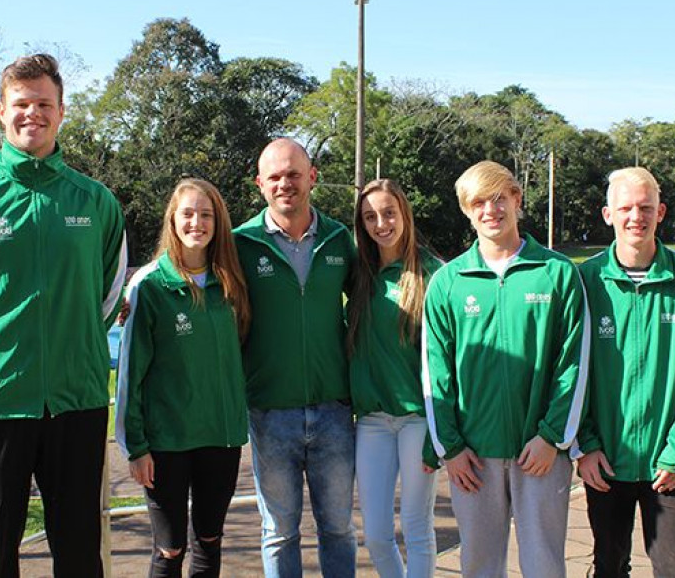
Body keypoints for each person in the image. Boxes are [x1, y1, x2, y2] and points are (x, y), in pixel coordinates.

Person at [0, 54, 128, 577]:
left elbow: (106, 297)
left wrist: (73, 345)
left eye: (43, 104)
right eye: (21, 104)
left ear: (61, 112)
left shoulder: (97, 201)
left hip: (75, 401)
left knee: (81, 551)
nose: (31, 114)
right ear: (1, 111)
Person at [421, 160, 589, 578]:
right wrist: (452, 448)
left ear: (516, 199)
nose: (490, 210)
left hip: (541, 452)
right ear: (466, 210)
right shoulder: (448, 282)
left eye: (499, 198)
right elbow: (434, 372)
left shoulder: (557, 273)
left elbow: (574, 362)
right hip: (473, 457)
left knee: (544, 565)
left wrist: (552, 437)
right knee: (478, 566)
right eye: (478, 202)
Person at [575, 167, 675, 578]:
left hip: (666, 466)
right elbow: (571, 370)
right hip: (605, 462)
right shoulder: (585, 280)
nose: (636, 216)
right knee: (609, 567)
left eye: (645, 207)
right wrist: (584, 445)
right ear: (607, 214)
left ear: (661, 212)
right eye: (625, 208)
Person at [233, 137, 357, 577]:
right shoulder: (239, 243)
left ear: (312, 178)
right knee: (279, 532)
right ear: (260, 184)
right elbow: (192, 272)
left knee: (339, 529)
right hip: (269, 412)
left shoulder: (341, 240)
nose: (285, 183)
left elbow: (379, 293)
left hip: (334, 412)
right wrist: (138, 290)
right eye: (275, 177)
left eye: (294, 174)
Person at [115, 178, 250, 577]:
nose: (197, 222)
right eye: (188, 213)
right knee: (170, 550)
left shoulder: (232, 282)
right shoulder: (150, 285)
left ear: (218, 222)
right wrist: (134, 445)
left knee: (209, 542)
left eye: (206, 214)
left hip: (220, 439)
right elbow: (130, 373)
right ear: (172, 220)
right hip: (166, 444)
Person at [346, 179, 443, 578]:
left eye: (388, 213)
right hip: (371, 420)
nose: (380, 223)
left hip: (418, 421)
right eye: (370, 216)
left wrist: (442, 433)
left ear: (404, 213)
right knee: (377, 536)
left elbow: (447, 360)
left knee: (417, 527)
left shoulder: (433, 273)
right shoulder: (359, 272)